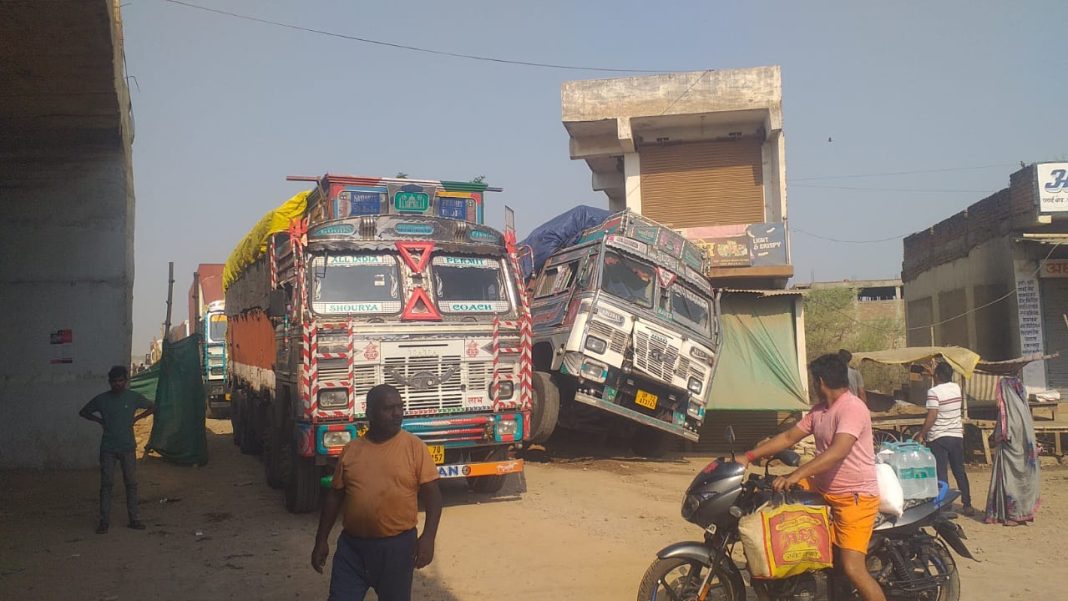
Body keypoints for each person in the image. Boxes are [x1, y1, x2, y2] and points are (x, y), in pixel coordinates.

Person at [739, 354, 885, 601]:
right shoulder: (820, 411)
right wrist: (749, 456)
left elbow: (837, 452)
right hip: (823, 488)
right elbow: (788, 438)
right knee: (771, 501)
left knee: (852, 568)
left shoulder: (853, 408)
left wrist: (796, 474)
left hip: (854, 497)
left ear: (820, 381)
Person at [311, 384, 443, 601]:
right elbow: (335, 496)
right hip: (352, 549)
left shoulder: (414, 447)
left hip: (397, 548)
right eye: (388, 408)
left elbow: (434, 497)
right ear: (370, 412)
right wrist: (321, 540)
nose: (397, 413)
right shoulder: (351, 450)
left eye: (400, 407)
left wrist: (428, 538)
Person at [78, 365, 155, 534]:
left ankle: (134, 519)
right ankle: (104, 521)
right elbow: (83, 412)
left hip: (127, 447)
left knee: (131, 484)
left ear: (126, 381)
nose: (117, 384)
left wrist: (136, 418)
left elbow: (152, 407)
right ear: (110, 382)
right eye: (114, 381)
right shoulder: (101, 400)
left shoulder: (133, 397)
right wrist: (99, 421)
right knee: (106, 484)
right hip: (108, 448)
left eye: (120, 381)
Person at [916, 361, 974, 515]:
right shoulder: (956, 388)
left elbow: (932, 415)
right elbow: (943, 384)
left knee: (941, 473)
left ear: (936, 376)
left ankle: (944, 506)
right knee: (959, 471)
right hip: (956, 435)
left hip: (938, 437)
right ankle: (967, 504)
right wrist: (934, 374)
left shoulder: (933, 392)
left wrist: (922, 434)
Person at [985, 376, 1040, 526]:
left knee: (1011, 483)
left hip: (1010, 457)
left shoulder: (1009, 412)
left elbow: (1004, 435)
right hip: (1023, 457)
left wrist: (995, 437)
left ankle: (1012, 515)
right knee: (1021, 482)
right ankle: (1022, 512)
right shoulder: (1023, 409)